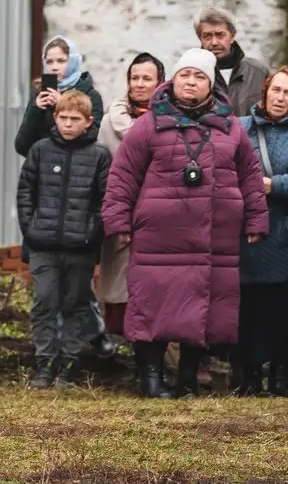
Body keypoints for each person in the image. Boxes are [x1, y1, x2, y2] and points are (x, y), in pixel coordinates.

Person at [101, 49, 269, 399]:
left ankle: (188, 381)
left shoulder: (231, 126)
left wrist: (256, 218)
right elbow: (124, 174)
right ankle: (150, 379)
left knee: (202, 308)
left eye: (199, 76)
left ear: (210, 84)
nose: (190, 82)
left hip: (213, 237)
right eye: (184, 75)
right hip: (158, 234)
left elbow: (250, 175)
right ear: (172, 80)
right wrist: (117, 220)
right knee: (151, 305)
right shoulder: (149, 123)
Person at [17, 89, 113, 389]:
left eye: (75, 119)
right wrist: (31, 229)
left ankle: (69, 364)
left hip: (80, 249)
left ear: (88, 122)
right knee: (44, 302)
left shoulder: (99, 156)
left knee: (76, 305)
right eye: (63, 118)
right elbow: (25, 192)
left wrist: (92, 234)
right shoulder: (40, 150)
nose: (68, 124)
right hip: (43, 246)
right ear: (54, 118)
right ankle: (45, 363)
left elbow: (104, 200)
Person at [235, 67, 288, 396]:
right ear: (265, 92)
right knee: (245, 305)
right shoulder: (242, 129)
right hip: (244, 229)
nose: (280, 98)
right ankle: (247, 375)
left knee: (279, 307)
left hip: (284, 228)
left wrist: (275, 185)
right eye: (276, 91)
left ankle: (278, 374)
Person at [99, 53, 165, 337]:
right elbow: (103, 173)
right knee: (120, 292)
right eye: (134, 78)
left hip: (160, 216)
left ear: (160, 83)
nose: (139, 84)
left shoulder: (170, 121)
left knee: (160, 294)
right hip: (123, 215)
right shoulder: (109, 123)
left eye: (146, 78)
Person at [14, 36, 104, 157]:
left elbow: (92, 137)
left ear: (73, 61)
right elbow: (22, 146)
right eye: (49, 61)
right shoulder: (40, 93)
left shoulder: (90, 95)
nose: (54, 67)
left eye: (61, 61)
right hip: (43, 167)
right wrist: (36, 110)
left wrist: (61, 105)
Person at [195, 8, 271, 120]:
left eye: (220, 35)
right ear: (200, 39)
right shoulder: (191, 75)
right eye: (207, 36)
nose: (214, 42)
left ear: (232, 36)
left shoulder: (258, 72)